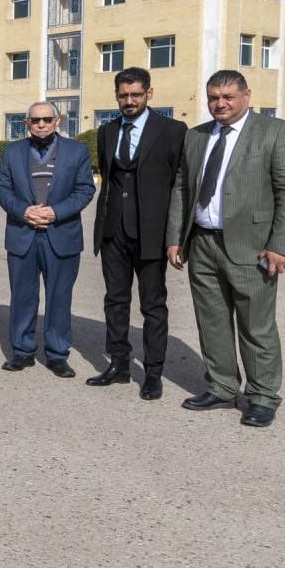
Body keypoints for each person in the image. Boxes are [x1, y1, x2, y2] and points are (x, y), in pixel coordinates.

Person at [166, 70, 285, 427]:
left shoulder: (276, 132)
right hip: (202, 243)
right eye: (214, 97)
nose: (220, 104)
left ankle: (262, 396)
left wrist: (281, 244)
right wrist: (175, 237)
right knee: (211, 321)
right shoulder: (196, 135)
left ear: (247, 95)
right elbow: (182, 187)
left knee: (256, 326)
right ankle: (222, 387)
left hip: (253, 246)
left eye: (228, 96)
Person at [86, 68, 187, 400]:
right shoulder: (107, 131)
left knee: (153, 305)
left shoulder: (172, 131)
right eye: (123, 95)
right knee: (115, 301)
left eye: (136, 95)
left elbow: (180, 184)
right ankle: (119, 364)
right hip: (114, 231)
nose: (129, 101)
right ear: (116, 96)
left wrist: (175, 236)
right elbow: (111, 180)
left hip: (151, 234)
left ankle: (154, 372)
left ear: (149, 94)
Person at [0, 101, 95, 376]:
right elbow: (2, 188)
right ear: (26, 123)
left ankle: (57, 354)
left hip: (61, 234)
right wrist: (23, 211)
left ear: (57, 121)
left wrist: (55, 212)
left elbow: (85, 189)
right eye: (35, 120)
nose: (41, 125)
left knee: (59, 297)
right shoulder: (13, 152)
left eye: (46, 119)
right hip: (23, 234)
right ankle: (22, 351)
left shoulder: (77, 151)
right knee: (22, 296)